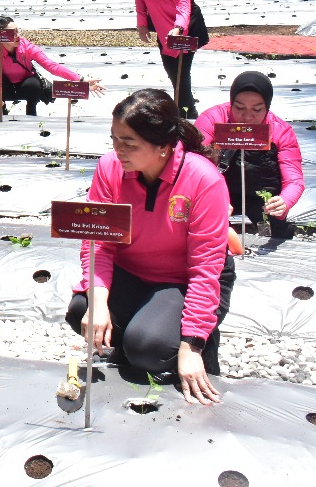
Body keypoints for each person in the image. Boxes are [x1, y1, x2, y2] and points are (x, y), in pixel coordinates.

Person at [65, 88, 233, 405]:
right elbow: (99, 244)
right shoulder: (109, 168)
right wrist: (98, 304)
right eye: (114, 139)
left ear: (163, 147)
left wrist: (191, 346)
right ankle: (139, 338)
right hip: (132, 271)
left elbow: (204, 268)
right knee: (82, 311)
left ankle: (191, 339)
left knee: (148, 348)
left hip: (182, 280)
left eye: (129, 143)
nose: (118, 151)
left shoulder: (202, 179)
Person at [195, 72, 304, 241]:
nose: (247, 117)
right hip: (218, 190)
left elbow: (294, 180)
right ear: (231, 103)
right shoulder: (212, 119)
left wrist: (284, 201)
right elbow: (194, 162)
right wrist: (214, 196)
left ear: (267, 107)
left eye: (257, 110)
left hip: (259, 194)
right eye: (239, 108)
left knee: (278, 232)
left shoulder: (281, 131)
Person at [133, 0, 209, 119]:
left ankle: (183, 114)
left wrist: (179, 28)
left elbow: (184, 6)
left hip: (185, 29)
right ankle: (188, 108)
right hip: (162, 27)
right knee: (171, 70)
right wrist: (142, 24)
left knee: (181, 72)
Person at [0, 15, 105, 116]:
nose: (18, 35)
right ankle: (1, 109)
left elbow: (51, 66)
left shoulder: (26, 46)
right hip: (6, 86)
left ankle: (31, 110)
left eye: (18, 31)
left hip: (26, 85)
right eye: (13, 33)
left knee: (33, 83)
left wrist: (81, 80)